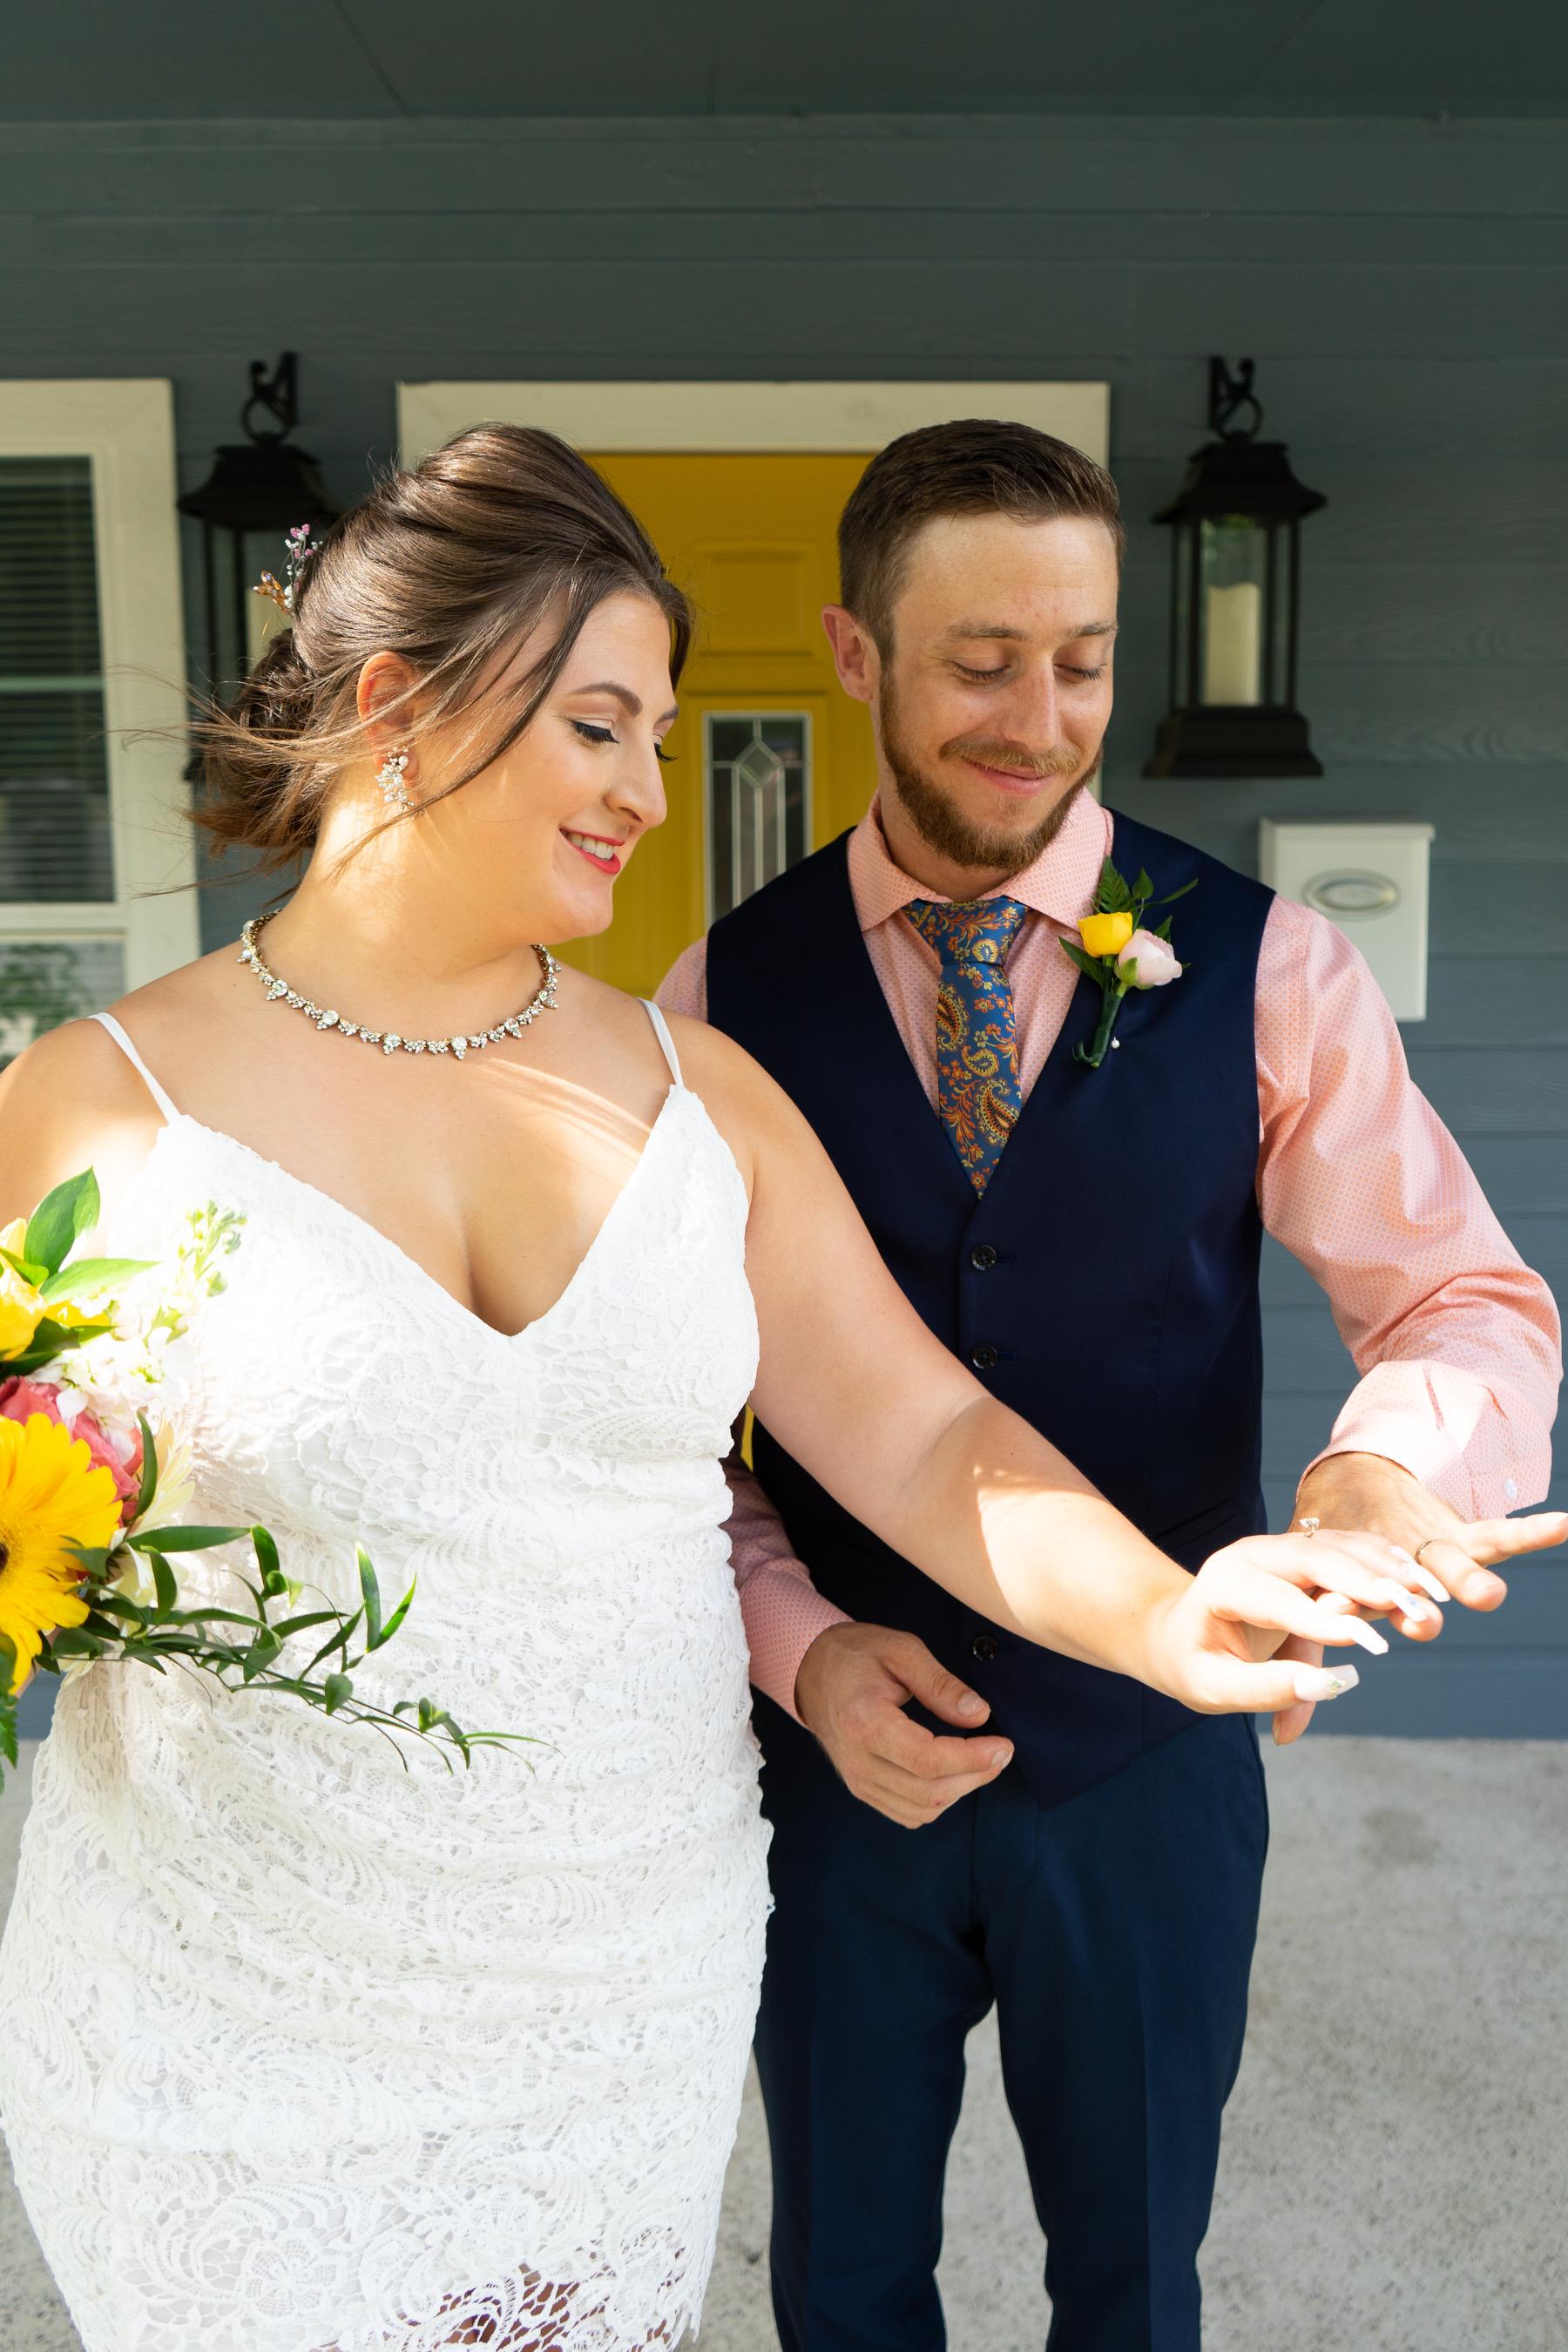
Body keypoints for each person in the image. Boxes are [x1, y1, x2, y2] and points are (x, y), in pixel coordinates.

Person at [0, 426, 1440, 2352]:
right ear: (397, 707)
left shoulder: (701, 1096)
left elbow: (925, 1433)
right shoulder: (93, 1107)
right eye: (599, 728)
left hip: (620, 1986)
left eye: (661, 738)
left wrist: (1170, 1619)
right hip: (241, 1993)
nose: (646, 792)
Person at [659, 418, 1565, 2352]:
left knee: (1139, 2285)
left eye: (1082, 661)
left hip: (1151, 1759)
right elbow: (653, 1437)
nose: (1042, 719)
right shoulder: (713, 1002)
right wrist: (795, 1644)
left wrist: (1383, 1476)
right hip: (834, 1770)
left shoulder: (1271, 968)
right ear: (854, 652)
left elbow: (1463, 1299)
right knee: (838, 2282)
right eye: (982, 661)